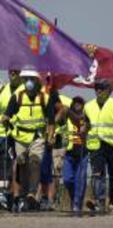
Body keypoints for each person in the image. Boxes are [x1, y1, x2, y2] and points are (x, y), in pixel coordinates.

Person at [1, 70, 56, 212]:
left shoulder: (44, 98)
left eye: (31, 79)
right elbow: (8, 113)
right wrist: (5, 118)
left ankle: (31, 194)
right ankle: (21, 195)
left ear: (38, 81)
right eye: (26, 79)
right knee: (21, 164)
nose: (29, 82)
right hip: (20, 137)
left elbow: (51, 120)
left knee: (35, 161)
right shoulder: (17, 97)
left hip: (37, 137)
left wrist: (50, 136)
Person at [84, 79, 113, 212]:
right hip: (96, 145)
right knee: (98, 173)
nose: (98, 91)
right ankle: (99, 201)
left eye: (101, 88)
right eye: (96, 88)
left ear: (109, 91)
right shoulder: (88, 106)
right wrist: (82, 131)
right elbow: (87, 124)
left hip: (112, 144)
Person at [0, 70, 24, 210]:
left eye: (17, 70)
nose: (13, 73)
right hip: (2, 134)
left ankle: (16, 196)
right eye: (11, 70)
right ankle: (3, 195)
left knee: (14, 167)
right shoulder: (3, 89)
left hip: (17, 135)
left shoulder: (24, 91)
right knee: (3, 166)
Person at [62, 96, 88, 212]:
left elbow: (89, 127)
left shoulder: (86, 117)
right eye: (75, 103)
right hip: (69, 152)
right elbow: (63, 130)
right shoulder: (67, 117)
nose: (77, 105)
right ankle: (73, 197)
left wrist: (85, 128)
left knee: (80, 180)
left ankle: (77, 203)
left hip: (82, 152)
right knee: (67, 179)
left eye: (80, 103)